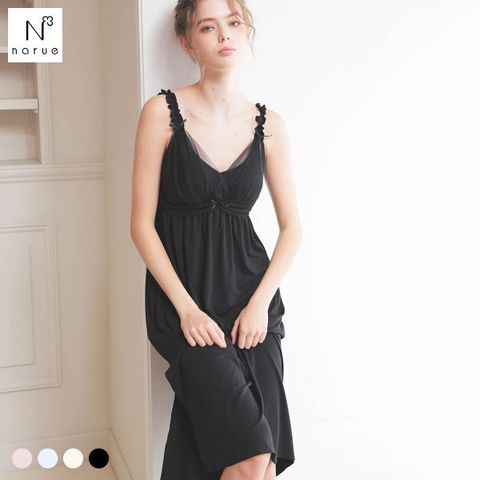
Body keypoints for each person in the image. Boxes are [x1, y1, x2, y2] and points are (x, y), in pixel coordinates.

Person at [130, 0, 302, 478]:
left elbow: (292, 228)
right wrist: (187, 310)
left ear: (246, 32)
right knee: (251, 455)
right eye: (208, 27)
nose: (225, 34)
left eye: (234, 22)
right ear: (187, 42)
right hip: (184, 302)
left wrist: (259, 306)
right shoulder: (161, 112)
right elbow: (141, 225)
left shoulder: (269, 125)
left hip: (252, 300)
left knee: (261, 457)